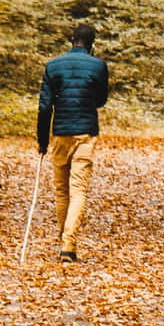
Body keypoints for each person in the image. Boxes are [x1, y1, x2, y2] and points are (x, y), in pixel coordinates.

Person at [37, 22, 110, 263]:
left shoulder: (53, 66)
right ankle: (68, 244)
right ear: (92, 44)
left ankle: (64, 240)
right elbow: (100, 100)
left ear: (71, 40)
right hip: (85, 133)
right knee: (79, 189)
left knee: (61, 191)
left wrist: (42, 140)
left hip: (60, 133)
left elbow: (45, 106)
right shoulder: (98, 66)